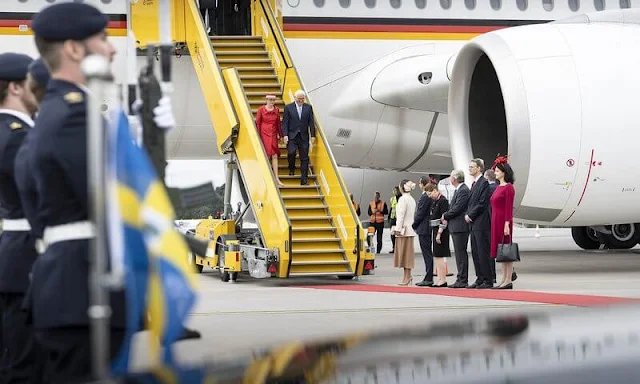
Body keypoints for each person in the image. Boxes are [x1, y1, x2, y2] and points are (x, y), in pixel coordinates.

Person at [26, 3, 128, 382]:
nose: (112, 48)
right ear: (73, 49)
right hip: (83, 292)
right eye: (102, 39)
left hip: (69, 288)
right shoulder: (74, 117)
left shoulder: (57, 111)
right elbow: (109, 204)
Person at [0, 52, 43, 384]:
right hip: (27, 257)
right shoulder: (16, 135)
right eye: (33, 82)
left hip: (15, 254)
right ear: (16, 87)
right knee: (26, 364)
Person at [490, 156, 517, 289]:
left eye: (497, 171)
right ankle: (503, 278)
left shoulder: (508, 187)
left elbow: (508, 207)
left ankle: (508, 279)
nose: (495, 172)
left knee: (506, 250)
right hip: (496, 220)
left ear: (504, 172)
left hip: (503, 221)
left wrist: (507, 224)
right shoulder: (498, 186)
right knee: (500, 252)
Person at [465, 158, 493, 289]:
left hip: (481, 223)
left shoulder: (484, 183)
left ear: (479, 168)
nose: (469, 168)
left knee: (483, 252)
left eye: (472, 167)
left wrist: (470, 215)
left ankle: (487, 279)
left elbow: (482, 203)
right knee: (475, 252)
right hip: (473, 223)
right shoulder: (474, 183)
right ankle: (479, 278)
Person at [442, 170, 471, 288]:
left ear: (454, 179)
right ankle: (460, 277)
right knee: (459, 254)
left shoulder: (463, 190)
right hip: (456, 226)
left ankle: (462, 279)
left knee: (461, 253)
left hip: (460, 227)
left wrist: (446, 215)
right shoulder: (459, 189)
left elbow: (458, 208)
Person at [282, 90, 315, 185]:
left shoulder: (308, 108)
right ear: (295, 98)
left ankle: (304, 180)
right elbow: (285, 123)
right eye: (299, 99)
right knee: (291, 152)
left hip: (304, 136)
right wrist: (285, 135)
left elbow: (311, 123)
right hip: (292, 136)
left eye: (302, 99)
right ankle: (291, 168)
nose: (301, 100)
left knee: (304, 158)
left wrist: (312, 135)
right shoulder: (288, 107)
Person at [425, 183, 450, 287]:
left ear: (435, 190)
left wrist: (439, 233)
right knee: (436, 256)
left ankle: (443, 279)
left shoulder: (443, 201)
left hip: (441, 231)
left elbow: (444, 219)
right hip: (435, 230)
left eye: (430, 193)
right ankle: (440, 278)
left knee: (439, 255)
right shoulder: (435, 201)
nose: (429, 196)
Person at [392, 180, 417, 286]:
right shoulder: (411, 199)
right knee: (408, 255)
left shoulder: (403, 199)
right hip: (410, 230)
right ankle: (407, 276)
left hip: (403, 230)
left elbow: (401, 216)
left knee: (404, 255)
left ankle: (406, 277)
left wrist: (397, 228)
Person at [255, 94, 283, 186]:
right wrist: (258, 136)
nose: (271, 102)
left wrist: (281, 135)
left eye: (273, 100)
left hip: (273, 133)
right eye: (270, 100)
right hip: (264, 133)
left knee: (274, 155)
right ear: (266, 100)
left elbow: (278, 123)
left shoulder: (276, 110)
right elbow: (258, 123)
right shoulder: (261, 109)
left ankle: (276, 178)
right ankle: (264, 177)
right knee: (266, 155)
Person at [414, 176, 433, 287]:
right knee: (427, 253)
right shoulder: (426, 196)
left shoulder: (425, 196)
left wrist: (414, 224)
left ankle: (428, 277)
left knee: (427, 253)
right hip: (424, 227)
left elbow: (420, 213)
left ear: (422, 184)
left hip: (424, 227)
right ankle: (428, 276)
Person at [388, 186, 401, 254]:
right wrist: (389, 217)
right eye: (394, 191)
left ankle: (399, 248)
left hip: (399, 219)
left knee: (399, 234)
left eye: (396, 190)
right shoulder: (392, 199)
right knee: (392, 234)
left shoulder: (402, 198)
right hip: (393, 218)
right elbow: (391, 208)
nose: (395, 192)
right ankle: (394, 247)